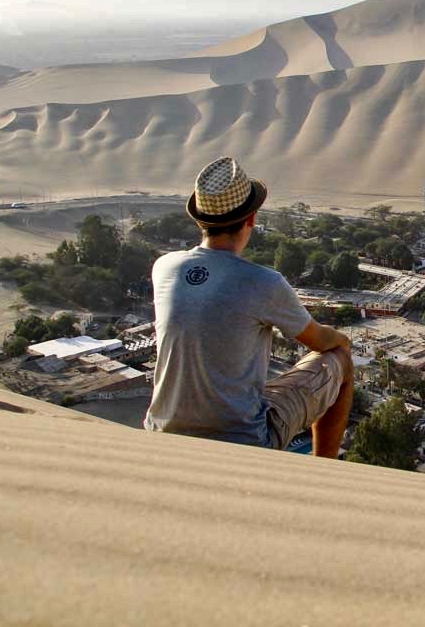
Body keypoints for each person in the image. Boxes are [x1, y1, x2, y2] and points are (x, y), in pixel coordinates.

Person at [144, 157, 354, 458]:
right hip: (244, 441)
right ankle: (325, 468)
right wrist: (342, 341)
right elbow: (318, 341)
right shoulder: (263, 282)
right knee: (340, 359)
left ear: (200, 220)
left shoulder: (163, 267)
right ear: (251, 218)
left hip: (162, 432)